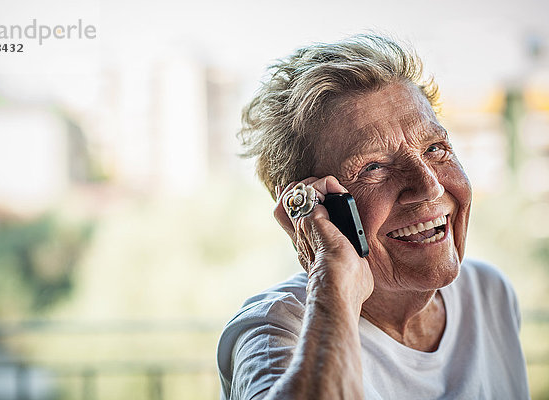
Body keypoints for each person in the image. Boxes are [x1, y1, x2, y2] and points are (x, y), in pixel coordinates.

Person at [216, 34, 530, 400]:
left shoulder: (488, 292)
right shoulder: (276, 330)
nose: (428, 186)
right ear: (316, 208)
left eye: (435, 148)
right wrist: (333, 281)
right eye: (374, 167)